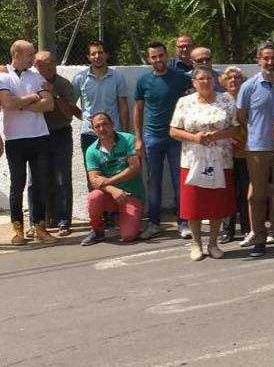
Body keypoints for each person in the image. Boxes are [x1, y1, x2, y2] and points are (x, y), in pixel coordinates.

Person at [169, 68, 239, 261]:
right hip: (192, 161)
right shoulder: (184, 102)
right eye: (201, 79)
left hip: (220, 159)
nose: (205, 82)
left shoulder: (226, 100)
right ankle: (196, 244)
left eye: (209, 78)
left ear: (214, 80)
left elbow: (235, 128)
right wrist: (194, 137)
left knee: (216, 203)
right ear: (194, 82)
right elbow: (173, 131)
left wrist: (219, 135)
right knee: (194, 204)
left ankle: (213, 243)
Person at [237, 42, 274, 256]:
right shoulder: (249, 87)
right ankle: (259, 238)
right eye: (266, 58)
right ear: (258, 60)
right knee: (258, 195)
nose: (270, 62)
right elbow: (242, 118)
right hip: (257, 149)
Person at [133, 41, 193, 239]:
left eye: (161, 55)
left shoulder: (180, 78)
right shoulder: (143, 81)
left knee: (179, 180)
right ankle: (153, 223)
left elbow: (196, 94)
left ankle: (183, 222)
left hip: (176, 137)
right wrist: (138, 139)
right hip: (152, 138)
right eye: (154, 57)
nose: (158, 60)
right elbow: (138, 110)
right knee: (153, 181)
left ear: (166, 55)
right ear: (149, 59)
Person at [0, 40, 56, 245]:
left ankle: (40, 227)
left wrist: (20, 104)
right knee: (18, 184)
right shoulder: (3, 76)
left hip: (39, 136)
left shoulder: (36, 75)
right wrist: (33, 97)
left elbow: (49, 104)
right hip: (15, 139)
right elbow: (6, 103)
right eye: (30, 54)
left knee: (41, 182)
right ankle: (18, 230)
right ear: (17, 55)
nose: (34, 58)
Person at [32, 51, 81, 236]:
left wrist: (55, 95)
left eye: (50, 63)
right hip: (37, 135)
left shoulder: (63, 84)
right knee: (36, 180)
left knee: (62, 179)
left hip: (60, 134)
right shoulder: (32, 82)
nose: (48, 67)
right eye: (42, 64)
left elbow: (70, 114)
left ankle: (63, 221)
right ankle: (37, 222)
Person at [82, 112, 146, 245]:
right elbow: (94, 180)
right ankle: (98, 231)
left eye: (105, 124)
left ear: (112, 124)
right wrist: (113, 190)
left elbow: (135, 168)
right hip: (109, 195)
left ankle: (120, 217)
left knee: (128, 236)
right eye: (97, 126)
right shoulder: (91, 151)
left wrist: (108, 181)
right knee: (93, 197)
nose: (102, 129)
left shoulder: (128, 139)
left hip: (131, 195)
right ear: (93, 130)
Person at [74, 41, 130, 157]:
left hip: (113, 132)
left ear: (106, 55)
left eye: (100, 52)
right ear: (88, 57)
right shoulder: (80, 78)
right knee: (92, 173)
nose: (97, 56)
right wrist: (84, 117)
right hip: (89, 134)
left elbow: (123, 106)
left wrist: (124, 134)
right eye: (93, 54)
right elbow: (70, 104)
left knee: (116, 170)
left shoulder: (117, 77)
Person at [218, 67, 250, 243]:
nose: (233, 80)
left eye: (237, 77)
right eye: (229, 77)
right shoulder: (219, 100)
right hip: (224, 153)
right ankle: (227, 230)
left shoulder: (247, 99)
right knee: (227, 192)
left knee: (245, 191)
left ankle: (246, 228)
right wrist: (227, 138)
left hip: (245, 153)